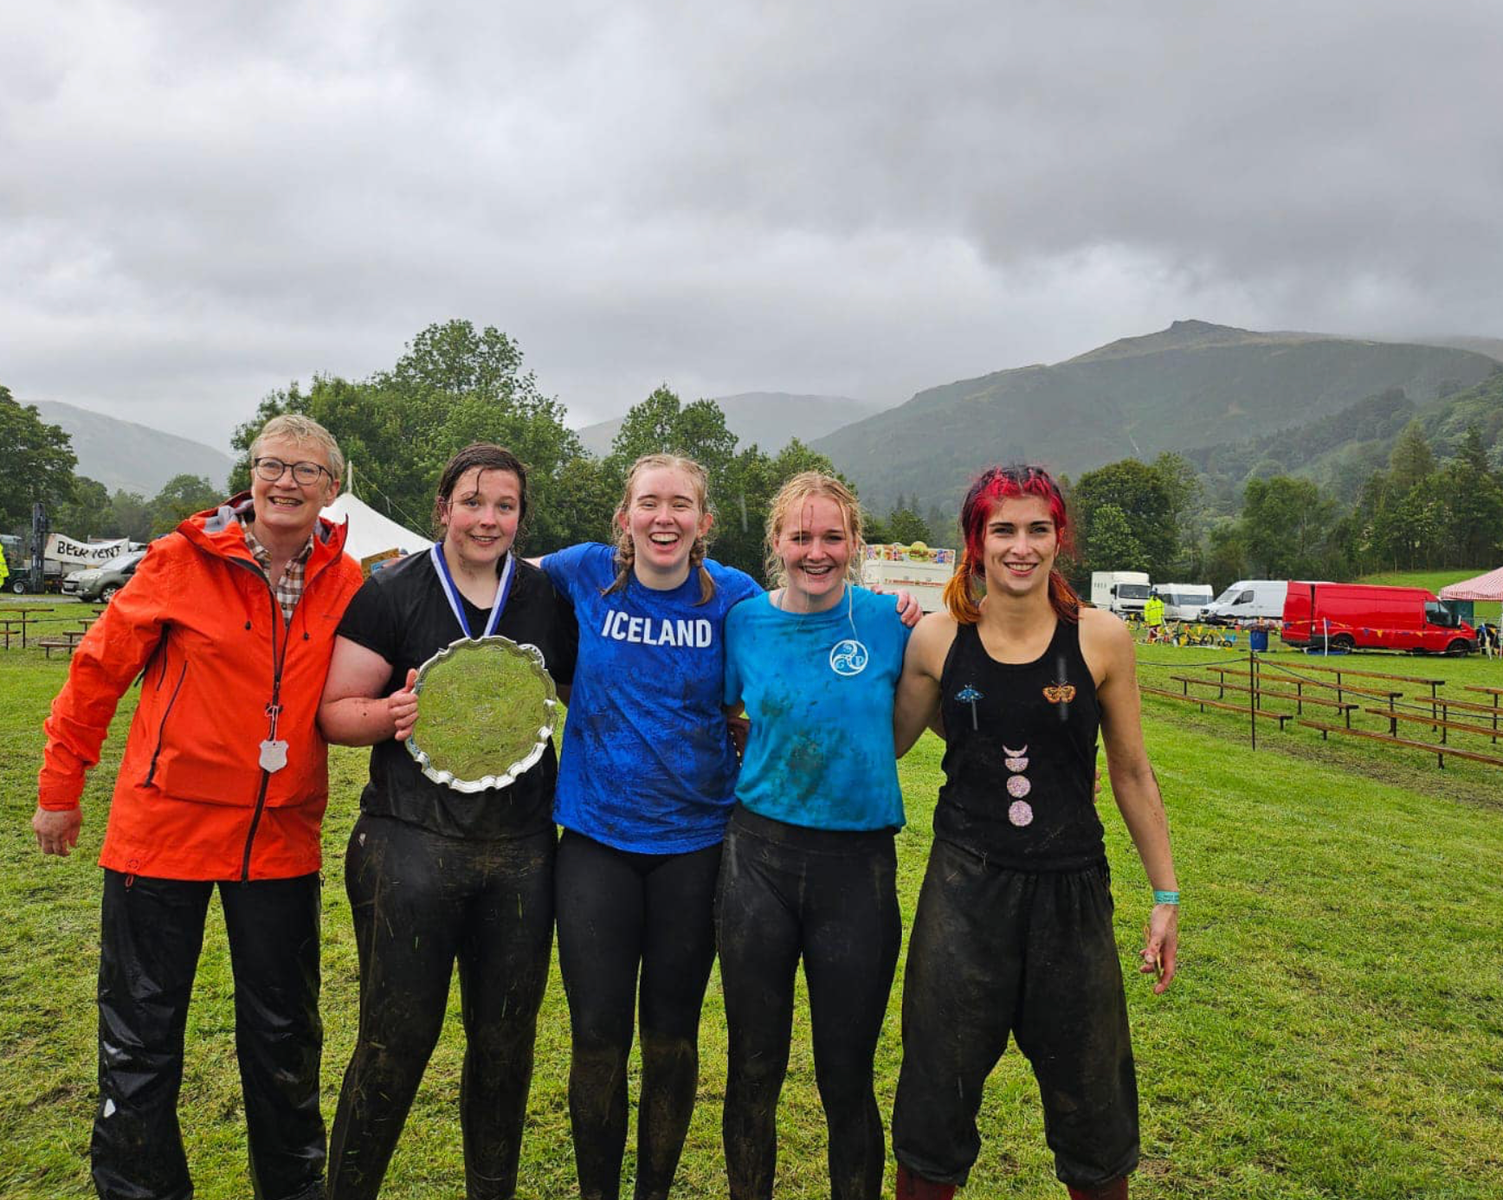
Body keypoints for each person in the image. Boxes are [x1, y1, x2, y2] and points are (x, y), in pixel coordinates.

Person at [33, 414, 363, 1200]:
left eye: (305, 470)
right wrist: (59, 788)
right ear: (249, 476)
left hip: (279, 841)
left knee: (285, 1037)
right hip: (162, 835)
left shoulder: (348, 580)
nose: (285, 482)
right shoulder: (180, 560)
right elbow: (96, 673)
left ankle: (291, 1188)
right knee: (141, 1040)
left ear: (333, 488)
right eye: (270, 465)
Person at [888, 464, 1180, 1200]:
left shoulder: (1102, 639)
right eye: (1003, 530)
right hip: (963, 890)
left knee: (1095, 1115)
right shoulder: (934, 640)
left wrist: (1165, 893)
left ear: (1059, 539)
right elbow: (883, 743)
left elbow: (1131, 773)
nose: (1020, 547)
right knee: (933, 1101)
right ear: (975, 541)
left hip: (1071, 896)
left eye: (1037, 530)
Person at [319, 443, 578, 1200]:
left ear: (520, 518)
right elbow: (337, 712)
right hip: (410, 845)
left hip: (522, 851)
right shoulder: (392, 589)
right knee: (395, 1042)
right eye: (472, 502)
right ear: (443, 510)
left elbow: (585, 691)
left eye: (504, 505)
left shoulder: (543, 597)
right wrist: (386, 714)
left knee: (504, 1046)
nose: (486, 518)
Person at [536, 453, 764, 1200]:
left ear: (703, 520)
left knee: (670, 1038)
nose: (663, 517)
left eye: (680, 505)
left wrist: (891, 614)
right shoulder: (581, 572)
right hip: (596, 844)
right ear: (624, 516)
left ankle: (652, 1192)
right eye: (648, 503)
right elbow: (487, 577)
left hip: (694, 847)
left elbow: (802, 634)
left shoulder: (733, 596)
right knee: (597, 1038)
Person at [718, 472, 912, 1200]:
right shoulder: (743, 622)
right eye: (800, 537)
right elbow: (722, 707)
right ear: (776, 543)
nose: (816, 551)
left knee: (845, 1071)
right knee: (754, 1064)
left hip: (856, 868)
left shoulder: (892, 621)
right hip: (757, 861)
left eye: (832, 537)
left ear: (855, 543)